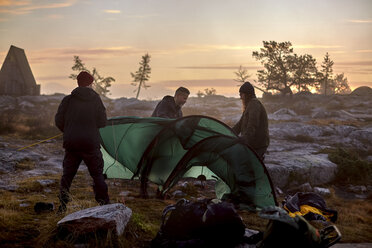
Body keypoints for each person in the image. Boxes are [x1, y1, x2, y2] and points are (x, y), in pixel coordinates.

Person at [55, 71, 110, 213]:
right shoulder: (96, 99)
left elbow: (58, 120)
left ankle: (62, 206)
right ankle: (104, 205)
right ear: (91, 83)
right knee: (97, 175)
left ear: (77, 83)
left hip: (72, 143)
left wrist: (68, 132)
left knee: (67, 176)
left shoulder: (68, 100)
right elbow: (103, 122)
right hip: (90, 144)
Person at [233, 82, 269, 160]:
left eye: (241, 94)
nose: (240, 97)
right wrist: (229, 133)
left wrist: (245, 139)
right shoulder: (249, 105)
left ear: (247, 94)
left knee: (251, 167)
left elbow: (253, 124)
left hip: (257, 145)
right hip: (252, 144)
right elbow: (239, 124)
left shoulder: (254, 104)